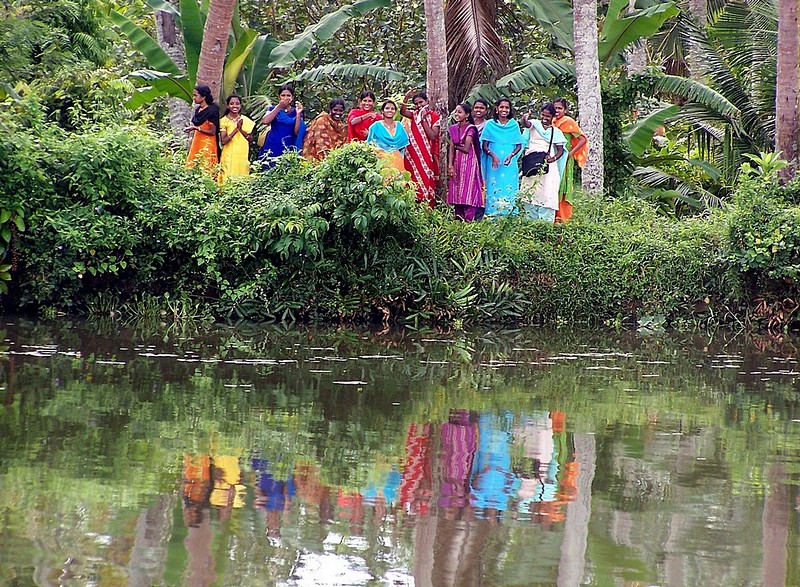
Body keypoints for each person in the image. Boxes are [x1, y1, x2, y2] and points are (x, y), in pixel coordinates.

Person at [520, 102, 567, 222]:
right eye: (543, 115)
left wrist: (553, 159)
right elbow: (526, 123)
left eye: (548, 116)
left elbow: (560, 150)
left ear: (553, 117)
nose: (545, 118)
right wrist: (524, 118)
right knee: (531, 191)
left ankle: (545, 225)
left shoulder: (556, 132)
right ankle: (529, 223)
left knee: (547, 193)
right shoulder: (534, 125)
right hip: (531, 163)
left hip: (548, 167)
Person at [481, 97, 523, 216]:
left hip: (509, 164)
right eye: (502, 107)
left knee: (509, 187)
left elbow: (519, 146)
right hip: (494, 164)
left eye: (507, 107)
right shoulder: (490, 124)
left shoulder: (513, 124)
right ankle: (492, 214)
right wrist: (493, 156)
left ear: (510, 110)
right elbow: (484, 145)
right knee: (493, 185)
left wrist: (511, 155)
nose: (504, 110)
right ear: (497, 109)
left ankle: (510, 214)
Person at [400, 90, 442, 206]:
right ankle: (415, 203)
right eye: (416, 104)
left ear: (427, 101)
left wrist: (423, 120)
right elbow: (403, 112)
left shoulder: (434, 116)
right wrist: (406, 98)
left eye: (421, 102)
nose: (419, 106)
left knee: (427, 176)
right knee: (413, 176)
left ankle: (428, 205)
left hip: (427, 153)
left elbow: (433, 135)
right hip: (412, 153)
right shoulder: (414, 114)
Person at [552, 97, 588, 222]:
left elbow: (583, 139)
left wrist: (570, 153)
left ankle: (563, 216)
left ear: (565, 110)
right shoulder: (551, 121)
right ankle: (553, 214)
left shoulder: (568, 122)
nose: (557, 111)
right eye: (555, 108)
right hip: (553, 157)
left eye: (560, 108)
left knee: (563, 184)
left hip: (565, 158)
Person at [447, 103, 483, 222]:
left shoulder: (470, 129)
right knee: (457, 190)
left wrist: (455, 146)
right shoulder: (453, 128)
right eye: (456, 112)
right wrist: (450, 165)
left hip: (469, 163)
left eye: (460, 112)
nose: (457, 114)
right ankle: (458, 219)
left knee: (469, 190)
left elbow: (466, 148)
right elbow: (451, 147)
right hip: (457, 162)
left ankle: (469, 220)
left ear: (467, 115)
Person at [258, 84, 306, 169]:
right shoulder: (272, 109)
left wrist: (298, 114)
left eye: (288, 95)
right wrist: (279, 106)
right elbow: (265, 121)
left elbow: (296, 132)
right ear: (279, 97)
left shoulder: (296, 111)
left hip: (288, 144)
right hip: (273, 143)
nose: (285, 98)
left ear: (292, 97)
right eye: (283, 95)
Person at [218, 95, 254, 184]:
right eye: (231, 104)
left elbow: (250, 140)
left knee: (242, 178)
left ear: (240, 106)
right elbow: (223, 141)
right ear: (227, 106)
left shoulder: (245, 120)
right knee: (227, 177)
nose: (235, 106)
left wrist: (241, 129)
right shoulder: (223, 121)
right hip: (229, 155)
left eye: (237, 104)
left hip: (242, 154)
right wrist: (236, 129)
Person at [366, 100, 410, 172]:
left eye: (392, 109)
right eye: (387, 108)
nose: (390, 110)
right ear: (382, 111)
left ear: (395, 111)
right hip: (381, 160)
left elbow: (403, 145)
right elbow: (369, 146)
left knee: (399, 181)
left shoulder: (399, 125)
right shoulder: (375, 127)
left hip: (398, 159)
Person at [184, 84, 219, 172]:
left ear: (203, 97)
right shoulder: (198, 110)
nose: (194, 97)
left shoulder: (212, 111)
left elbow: (212, 131)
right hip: (197, 141)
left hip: (207, 142)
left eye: (196, 95)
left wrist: (196, 129)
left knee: (206, 166)